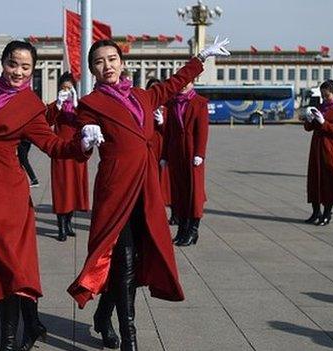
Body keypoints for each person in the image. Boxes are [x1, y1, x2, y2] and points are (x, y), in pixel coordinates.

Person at [67, 37, 229, 351]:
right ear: (92, 69)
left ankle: (103, 316)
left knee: (135, 262)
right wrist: (86, 135)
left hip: (146, 191)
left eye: (112, 59)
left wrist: (201, 57)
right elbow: (82, 134)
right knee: (125, 263)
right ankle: (130, 339)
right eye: (99, 62)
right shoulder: (90, 103)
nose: (107, 66)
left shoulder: (143, 96)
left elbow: (175, 82)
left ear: (121, 63)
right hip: (117, 193)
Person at [0, 40, 101, 351]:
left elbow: (54, 145)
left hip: (7, 190)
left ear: (33, 70)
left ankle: (8, 341)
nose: (18, 71)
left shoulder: (30, 106)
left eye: (25, 67)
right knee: (6, 260)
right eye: (13, 64)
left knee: (11, 264)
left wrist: (82, 145)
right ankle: (32, 323)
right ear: (2, 62)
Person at [161, 81, 209, 246]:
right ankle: (182, 229)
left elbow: (202, 130)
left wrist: (199, 153)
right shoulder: (173, 102)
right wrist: (165, 154)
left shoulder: (199, 103)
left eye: (187, 82)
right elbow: (169, 131)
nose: (183, 85)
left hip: (192, 152)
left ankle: (192, 230)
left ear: (192, 83)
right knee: (179, 193)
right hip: (176, 153)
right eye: (181, 82)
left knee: (193, 192)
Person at [46, 72, 90, 241]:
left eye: (69, 88)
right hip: (60, 151)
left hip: (76, 151)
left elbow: (85, 122)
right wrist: (57, 104)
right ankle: (61, 227)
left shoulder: (79, 108)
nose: (66, 90)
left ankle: (69, 223)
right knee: (61, 189)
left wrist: (77, 104)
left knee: (74, 188)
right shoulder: (55, 106)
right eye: (63, 87)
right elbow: (47, 121)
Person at [304, 80, 333, 226]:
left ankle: (327, 213)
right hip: (316, 146)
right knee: (314, 178)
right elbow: (309, 128)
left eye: (327, 95)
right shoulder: (320, 106)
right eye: (322, 95)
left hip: (330, 148)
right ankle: (315, 211)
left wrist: (324, 123)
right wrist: (309, 120)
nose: (324, 98)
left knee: (329, 179)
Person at [145, 78, 173, 215]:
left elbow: (171, 131)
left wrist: (162, 122)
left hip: (162, 147)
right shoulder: (144, 107)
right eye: (151, 88)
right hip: (149, 147)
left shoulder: (166, 108)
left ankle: (170, 208)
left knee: (164, 178)